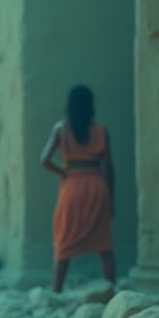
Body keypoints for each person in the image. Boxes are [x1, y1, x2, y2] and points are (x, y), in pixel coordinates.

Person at [40, 84, 115, 293]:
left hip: (71, 185)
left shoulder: (60, 129)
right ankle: (111, 289)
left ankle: (57, 289)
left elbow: (44, 160)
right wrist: (111, 198)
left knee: (64, 239)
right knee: (104, 243)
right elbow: (109, 167)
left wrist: (63, 172)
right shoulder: (101, 130)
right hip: (96, 185)